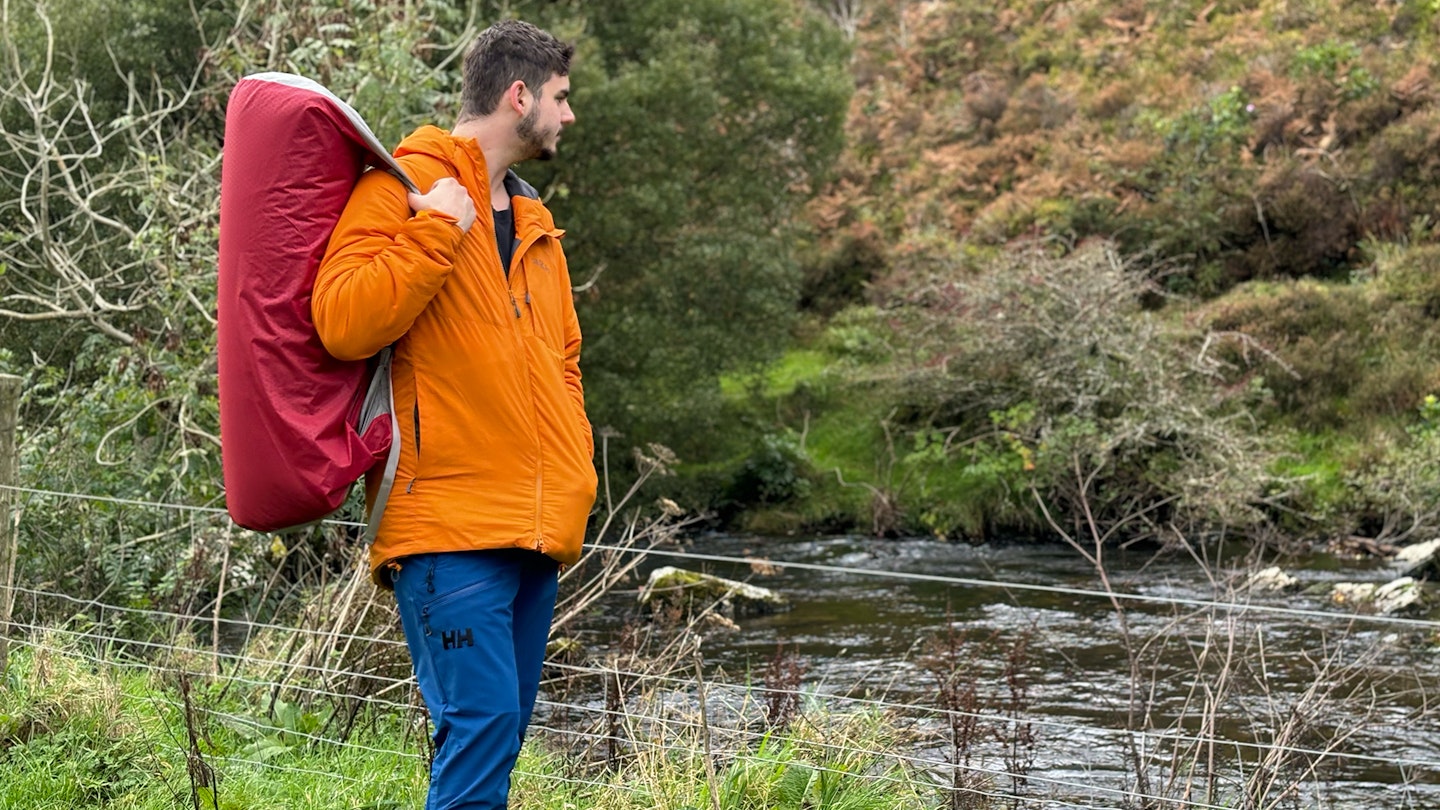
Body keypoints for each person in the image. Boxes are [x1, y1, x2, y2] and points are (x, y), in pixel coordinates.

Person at [311, 20, 597, 810]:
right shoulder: (403, 183)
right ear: (519, 95)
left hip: (536, 525)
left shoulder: (537, 224)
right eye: (561, 98)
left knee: (495, 740)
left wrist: (576, 472)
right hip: (444, 520)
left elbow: (564, 364)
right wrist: (435, 227)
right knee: (481, 725)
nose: (568, 116)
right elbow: (341, 318)